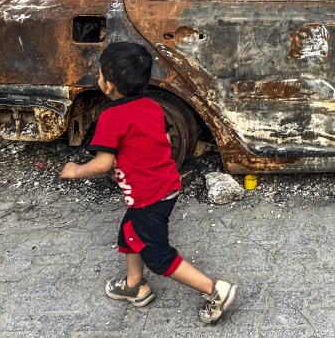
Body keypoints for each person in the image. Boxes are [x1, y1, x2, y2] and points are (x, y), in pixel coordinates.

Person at [59, 42, 237, 325]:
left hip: (148, 196)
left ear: (109, 85)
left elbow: (103, 163)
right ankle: (134, 285)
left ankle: (214, 290)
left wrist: (75, 170)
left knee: (157, 256)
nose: (99, 78)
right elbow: (165, 142)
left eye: (100, 74)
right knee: (129, 231)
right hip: (167, 185)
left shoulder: (110, 117)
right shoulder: (152, 106)